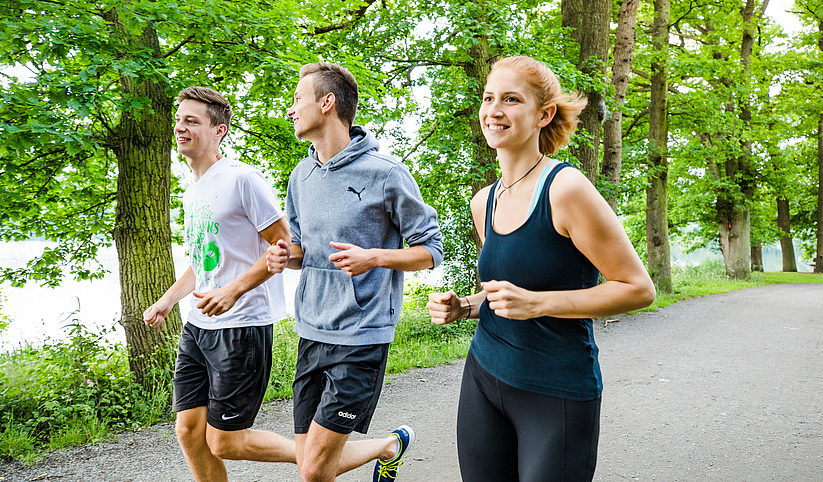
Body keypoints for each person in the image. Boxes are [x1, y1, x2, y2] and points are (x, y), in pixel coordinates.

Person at [427, 56, 656, 481]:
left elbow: (638, 288)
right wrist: (467, 306)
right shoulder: (484, 201)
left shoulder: (566, 189)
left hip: (556, 391)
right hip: (484, 379)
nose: (493, 110)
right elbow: (505, 293)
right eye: (488, 98)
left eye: (511, 99)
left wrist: (538, 304)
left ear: (543, 114)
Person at [266, 62, 444, 482]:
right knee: (312, 466)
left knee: (312, 471)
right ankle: (389, 446)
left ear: (327, 103)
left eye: (297, 99)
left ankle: (388, 445)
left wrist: (375, 257)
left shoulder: (385, 174)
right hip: (312, 331)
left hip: (361, 336)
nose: (290, 110)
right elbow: (302, 251)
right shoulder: (300, 175)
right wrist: (283, 258)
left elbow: (431, 250)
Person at [143, 86, 296, 482]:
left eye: (191, 120)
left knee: (226, 441)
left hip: (241, 326)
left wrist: (234, 290)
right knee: (189, 431)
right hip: (198, 326)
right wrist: (167, 301)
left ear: (220, 131)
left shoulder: (242, 179)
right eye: (178, 120)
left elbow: (286, 247)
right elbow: (202, 261)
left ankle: (321, 452)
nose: (180, 127)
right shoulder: (193, 191)